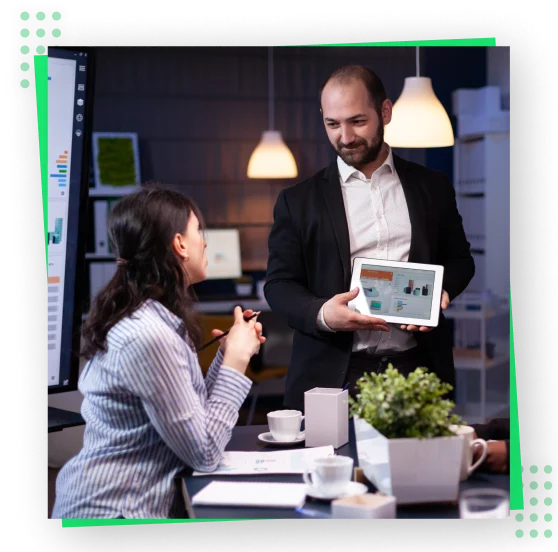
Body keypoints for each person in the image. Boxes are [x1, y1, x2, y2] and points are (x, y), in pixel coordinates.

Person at [264, 65, 475, 411]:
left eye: (357, 121)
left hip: (417, 368)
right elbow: (279, 284)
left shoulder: (432, 186)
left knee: (421, 466)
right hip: (331, 374)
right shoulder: (297, 201)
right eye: (333, 124)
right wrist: (322, 314)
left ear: (385, 112)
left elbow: (460, 260)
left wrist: (441, 290)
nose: (345, 137)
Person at [52, 184, 265, 518]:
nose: (205, 241)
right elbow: (204, 452)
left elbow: (192, 420)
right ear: (180, 244)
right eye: (198, 230)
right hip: (115, 510)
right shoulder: (149, 336)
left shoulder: (151, 319)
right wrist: (237, 363)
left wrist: (226, 355)